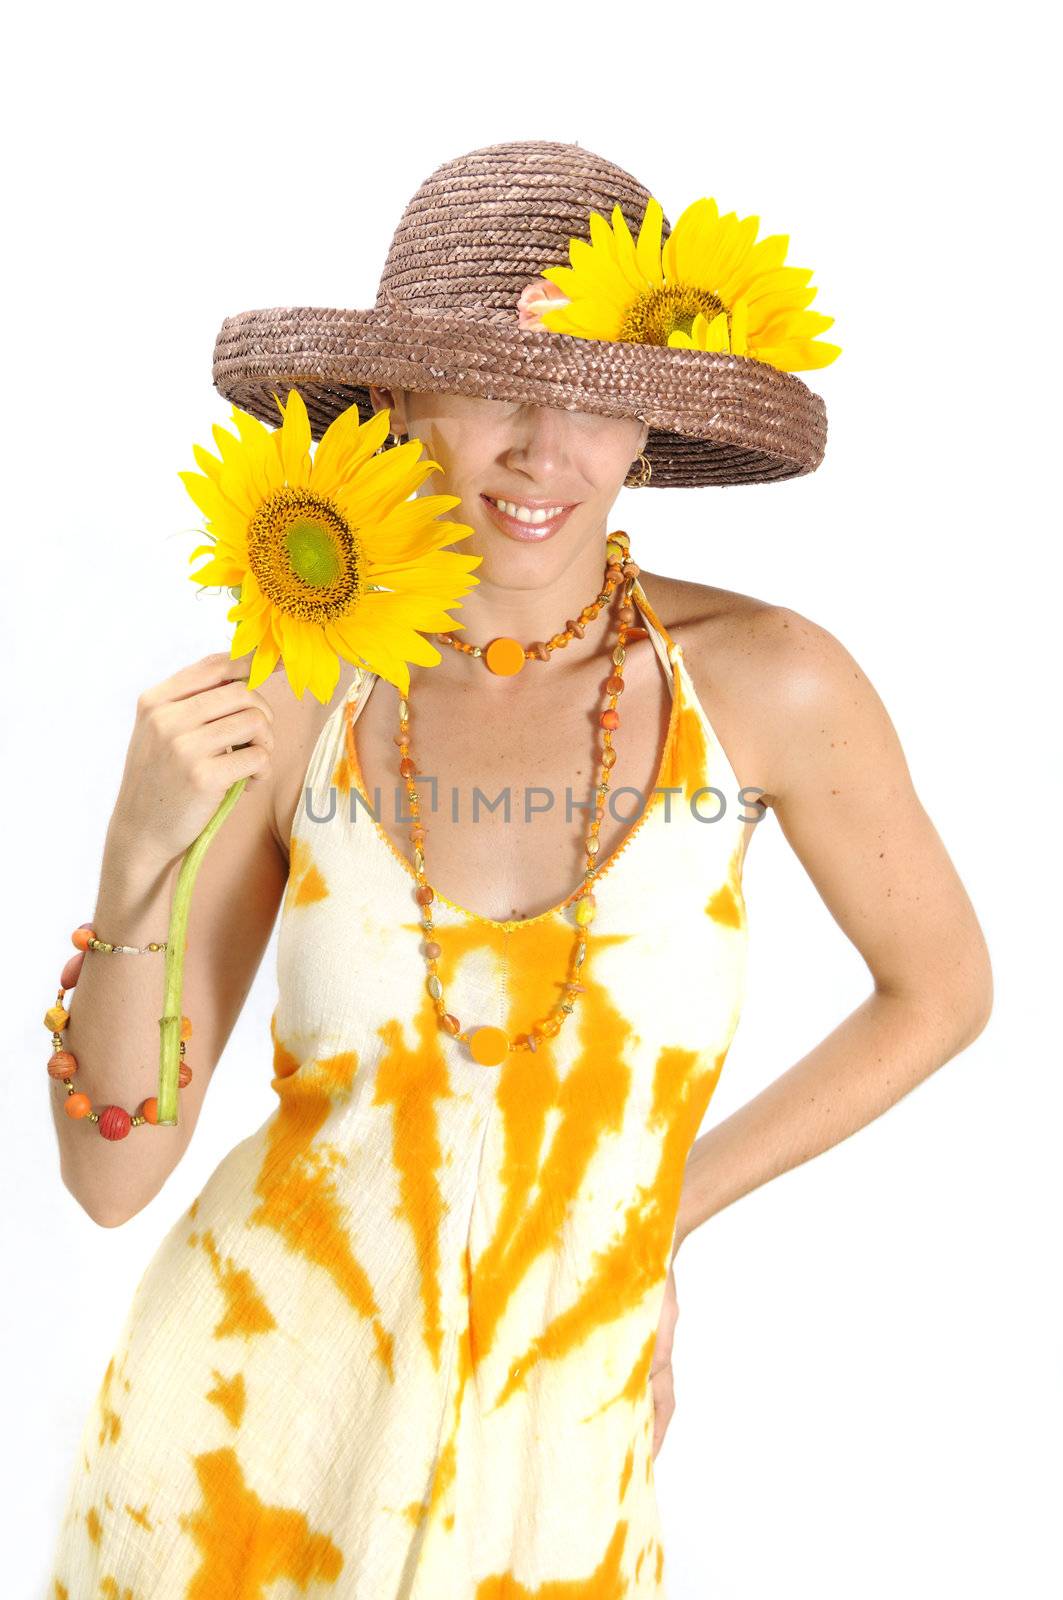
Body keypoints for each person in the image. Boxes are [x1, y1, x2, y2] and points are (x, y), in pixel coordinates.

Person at [47, 139, 992, 1597]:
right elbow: (116, 1177)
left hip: (557, 1451)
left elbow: (939, 991)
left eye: (596, 394)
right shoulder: (300, 687)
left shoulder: (769, 683)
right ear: (398, 402)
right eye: (489, 384)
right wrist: (134, 855)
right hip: (238, 1436)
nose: (542, 449)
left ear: (646, 426)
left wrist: (654, 1215)